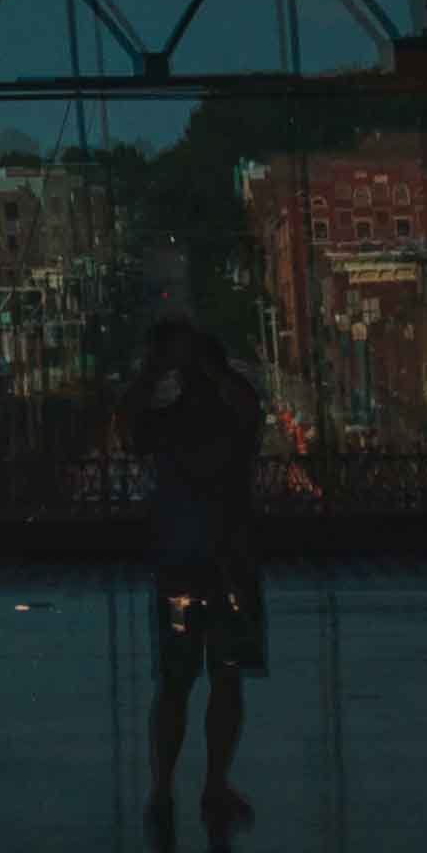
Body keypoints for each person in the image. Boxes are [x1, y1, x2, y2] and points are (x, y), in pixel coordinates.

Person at [131, 314, 267, 826]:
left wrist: (156, 370)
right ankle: (211, 784)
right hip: (226, 564)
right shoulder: (228, 418)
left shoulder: (170, 421)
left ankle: (165, 788)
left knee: (178, 680)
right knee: (221, 677)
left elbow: (131, 423)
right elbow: (250, 411)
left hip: (186, 564)